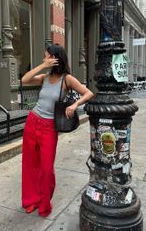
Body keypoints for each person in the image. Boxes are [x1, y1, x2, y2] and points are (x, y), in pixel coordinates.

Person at [21, 43, 94, 217]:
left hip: (49, 128)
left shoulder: (67, 79)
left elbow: (89, 93)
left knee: (46, 169)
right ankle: (31, 200)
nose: (43, 58)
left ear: (55, 58)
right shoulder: (44, 77)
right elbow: (24, 80)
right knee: (30, 165)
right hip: (32, 122)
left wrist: (75, 105)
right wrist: (43, 66)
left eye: (46, 56)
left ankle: (44, 203)